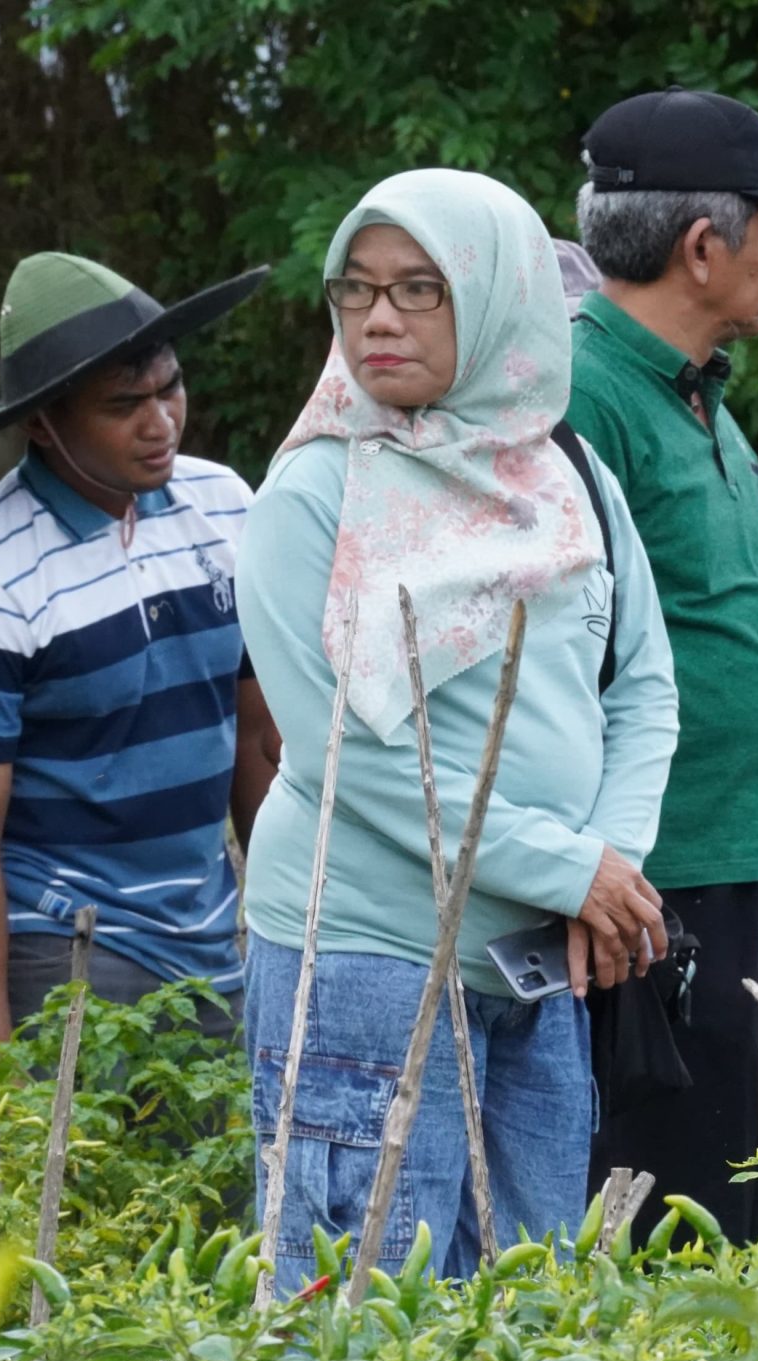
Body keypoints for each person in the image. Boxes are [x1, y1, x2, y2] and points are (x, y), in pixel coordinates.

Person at [238, 168, 677, 1292]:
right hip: (368, 956)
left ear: (497, 295)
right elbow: (340, 757)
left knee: (528, 1307)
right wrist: (570, 866)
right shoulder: (316, 496)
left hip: (537, 959)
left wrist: (607, 865)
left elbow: (641, 688)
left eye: (420, 289)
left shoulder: (564, 474)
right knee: (371, 1314)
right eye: (358, 289)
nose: (379, 318)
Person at [567, 85, 758, 1245]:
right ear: (700, 246)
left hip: (733, 884)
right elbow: (566, 662)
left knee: (750, 1217)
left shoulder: (702, 400)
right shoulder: (587, 394)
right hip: (651, 898)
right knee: (673, 1232)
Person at [0, 251, 273, 1051]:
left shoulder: (225, 507)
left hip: (215, 939)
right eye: (124, 404)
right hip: (67, 947)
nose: (160, 422)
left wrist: (284, 934)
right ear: (41, 422)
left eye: (170, 389)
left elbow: (260, 743)